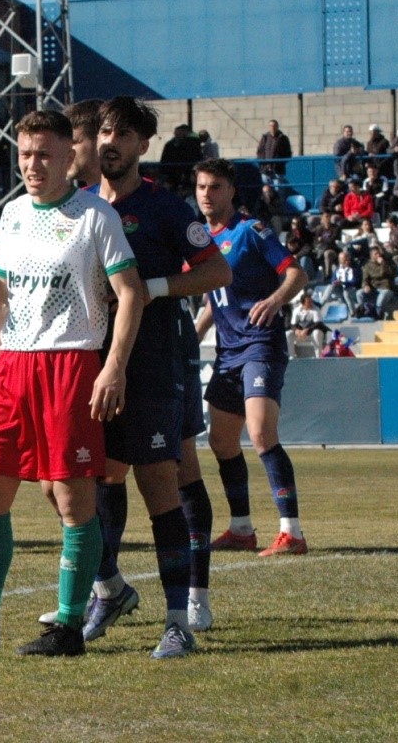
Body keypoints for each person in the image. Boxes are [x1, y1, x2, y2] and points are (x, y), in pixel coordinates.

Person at [0, 109, 143, 657]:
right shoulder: (13, 214)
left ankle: (69, 627)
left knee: (73, 500)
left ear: (70, 157)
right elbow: (6, 297)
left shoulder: (95, 216)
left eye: (44, 154)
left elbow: (131, 293)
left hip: (70, 366)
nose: (32, 164)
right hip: (13, 369)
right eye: (25, 154)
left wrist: (113, 366)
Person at [62, 97, 231, 658]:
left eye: (124, 134)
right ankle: (109, 590)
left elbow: (218, 271)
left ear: (143, 145)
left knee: (160, 481)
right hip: (90, 362)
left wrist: (153, 287)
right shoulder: (81, 206)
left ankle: (180, 618)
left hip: (154, 362)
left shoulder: (164, 208)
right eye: (105, 131)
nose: (111, 142)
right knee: (90, 482)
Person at [195, 159, 310, 557]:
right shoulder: (201, 241)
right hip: (228, 353)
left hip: (260, 344)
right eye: (201, 187)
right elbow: (214, 299)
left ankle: (292, 532)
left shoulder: (250, 230)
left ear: (231, 191)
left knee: (260, 432)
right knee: (221, 441)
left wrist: (276, 300)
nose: (207, 194)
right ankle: (242, 528)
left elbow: (296, 274)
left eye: (215, 187)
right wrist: (195, 334)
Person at [63, 99, 103, 187]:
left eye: (73, 142)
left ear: (100, 141)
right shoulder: (80, 195)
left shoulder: (133, 193)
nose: (63, 151)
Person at [256, 119, 292, 186]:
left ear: (277, 126)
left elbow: (288, 153)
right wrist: (263, 163)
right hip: (265, 170)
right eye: (270, 126)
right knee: (267, 189)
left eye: (274, 126)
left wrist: (280, 163)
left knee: (278, 188)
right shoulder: (265, 137)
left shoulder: (283, 138)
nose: (272, 127)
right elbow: (260, 152)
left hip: (278, 170)